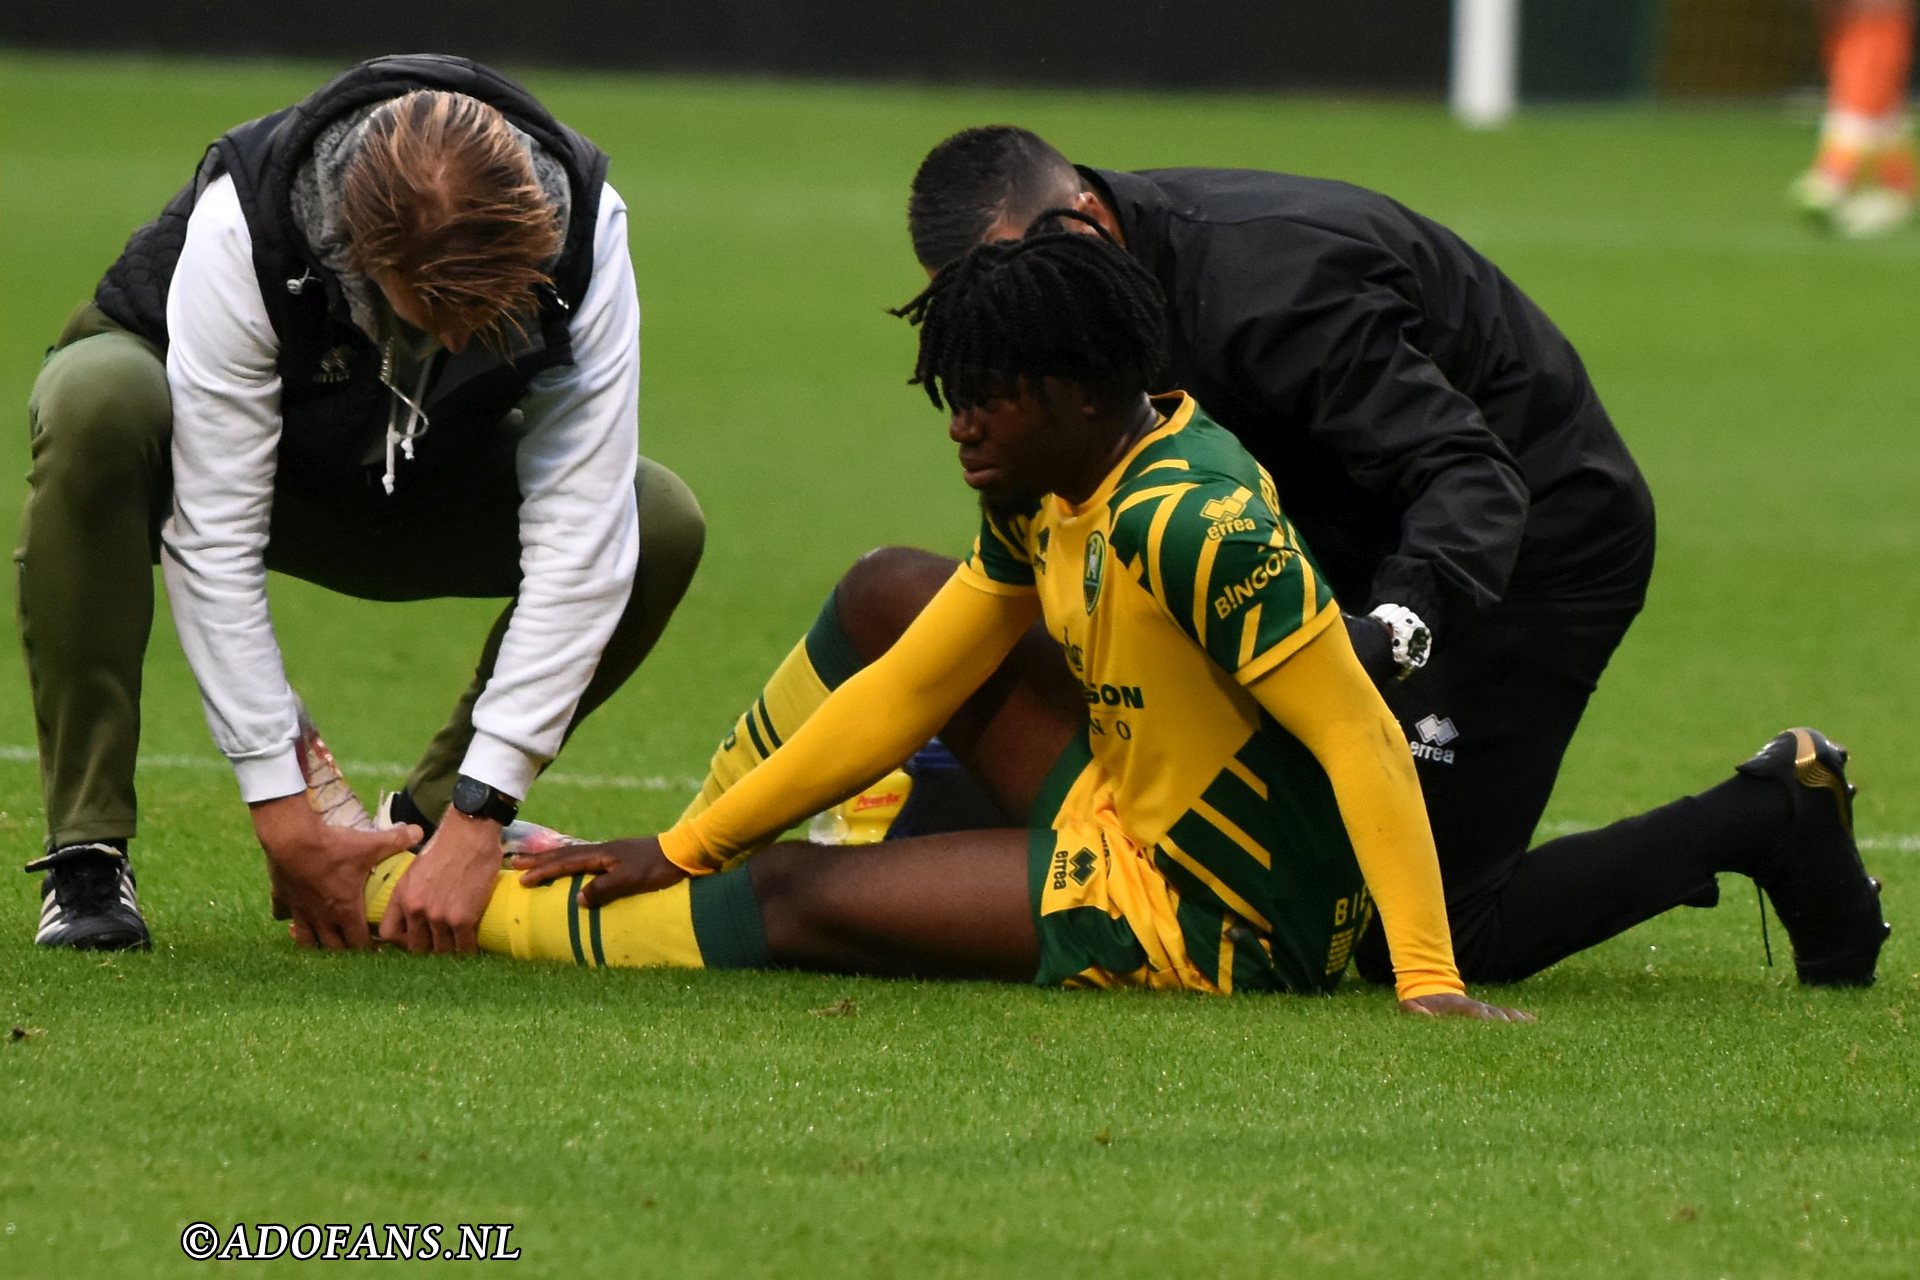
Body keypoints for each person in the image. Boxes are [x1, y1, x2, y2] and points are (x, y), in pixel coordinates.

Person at [685, 129, 1889, 988]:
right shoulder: (1078, 313)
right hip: (1345, 541)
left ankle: (1771, 812)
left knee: (1424, 923)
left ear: (1088, 219)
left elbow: (1473, 478)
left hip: (1530, 542)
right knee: (961, 824)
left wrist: (1390, 640)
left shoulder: (1277, 288)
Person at [369, 226, 1526, 1019]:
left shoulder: (1195, 520)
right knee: (890, 589)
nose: (962, 424)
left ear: (1080, 390)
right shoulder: (1058, 480)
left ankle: (422, 906)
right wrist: (689, 841)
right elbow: (910, 682)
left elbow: (1361, 732)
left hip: (1213, 910)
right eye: (952, 394)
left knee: (795, 897)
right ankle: (666, 868)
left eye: (990, 398)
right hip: (1126, 802)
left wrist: (1428, 978)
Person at [18, 55, 705, 955]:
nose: (461, 338)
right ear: (361, 255)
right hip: (213, 469)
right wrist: (284, 810)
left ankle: (413, 836)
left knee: (654, 521)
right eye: (434, 312)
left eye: (491, 314)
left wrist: (476, 811)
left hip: (415, 469)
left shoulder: (588, 232)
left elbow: (583, 533)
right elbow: (214, 535)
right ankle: (88, 853)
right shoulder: (250, 223)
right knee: (97, 398)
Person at [1793, 0, 1915, 236]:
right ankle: (1899, 185)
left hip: (1878, 20)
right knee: (1878, 100)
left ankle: (1832, 177)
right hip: (1850, 21)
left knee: (1862, 95)